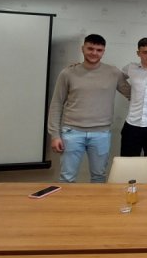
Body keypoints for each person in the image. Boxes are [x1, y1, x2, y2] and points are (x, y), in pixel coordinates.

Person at [47, 34, 130, 183]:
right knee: (67, 177)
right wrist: (54, 135)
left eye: (99, 50)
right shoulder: (68, 73)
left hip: (101, 134)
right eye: (90, 48)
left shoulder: (113, 73)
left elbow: (133, 94)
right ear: (83, 48)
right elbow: (56, 104)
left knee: (99, 177)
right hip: (71, 132)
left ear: (103, 51)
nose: (94, 53)